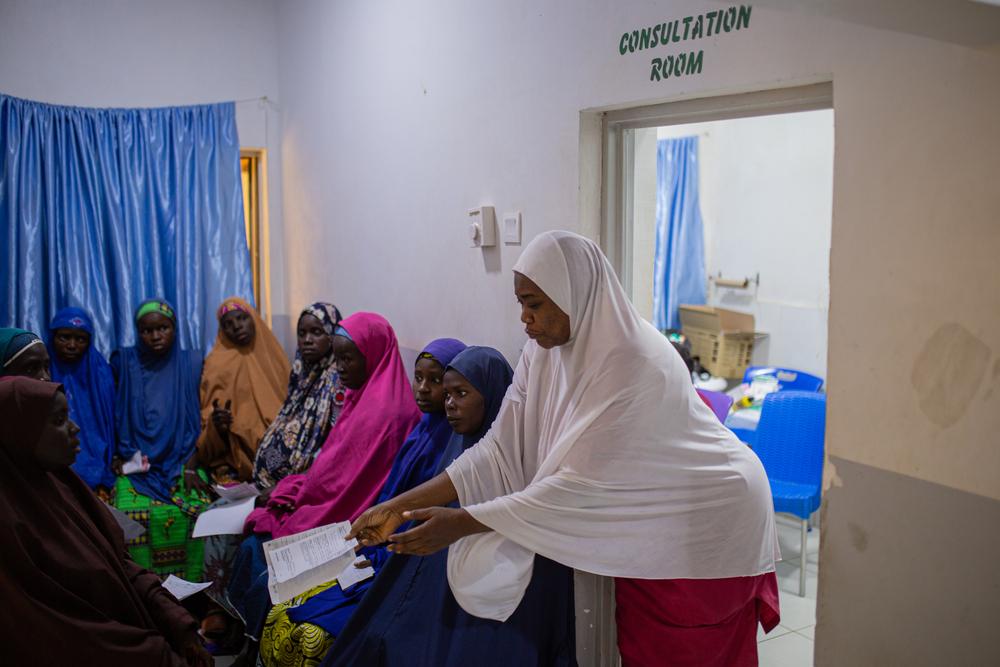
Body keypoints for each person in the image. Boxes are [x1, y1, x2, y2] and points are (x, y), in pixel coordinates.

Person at [348, 231, 780, 667]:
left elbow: (577, 488)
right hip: (647, 524)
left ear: (573, 293)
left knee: (688, 652)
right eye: (520, 304)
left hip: (709, 519)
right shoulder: (545, 351)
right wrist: (400, 505)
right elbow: (501, 449)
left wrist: (460, 523)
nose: (525, 318)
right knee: (641, 647)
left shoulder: (636, 361)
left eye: (534, 304)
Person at [325, 345, 576, 667]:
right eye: (447, 395)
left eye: (460, 394)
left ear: (494, 395)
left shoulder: (525, 461)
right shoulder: (457, 452)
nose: (450, 406)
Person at [257, 338, 467, 667]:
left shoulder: (454, 444)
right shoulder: (421, 431)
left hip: (402, 558)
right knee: (277, 602)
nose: (423, 389)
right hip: (376, 544)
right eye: (419, 377)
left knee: (307, 628)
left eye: (437, 381)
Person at [228, 312, 420, 652]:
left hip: (346, 520)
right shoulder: (359, 396)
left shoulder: (387, 414)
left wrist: (307, 496)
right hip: (327, 505)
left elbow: (355, 486)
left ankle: (251, 647)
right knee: (250, 545)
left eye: (348, 358)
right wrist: (301, 488)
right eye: (338, 358)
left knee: (260, 567)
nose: (340, 368)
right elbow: (333, 470)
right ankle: (242, 639)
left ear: (374, 355)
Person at [0, 376, 212, 667]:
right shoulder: (10, 526)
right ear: (21, 434)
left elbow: (120, 563)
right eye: (59, 420)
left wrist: (177, 621)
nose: (75, 429)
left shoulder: (61, 484)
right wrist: (156, 653)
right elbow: (58, 634)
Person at [112, 299, 209, 580]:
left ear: (175, 328)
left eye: (163, 328)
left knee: (204, 511)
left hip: (182, 459)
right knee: (127, 513)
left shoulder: (191, 363)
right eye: (147, 330)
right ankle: (145, 593)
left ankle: (198, 593)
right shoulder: (125, 362)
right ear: (137, 332)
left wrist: (191, 463)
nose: (155, 336)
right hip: (138, 461)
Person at [188, 297, 290, 487]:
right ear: (222, 331)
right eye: (228, 324)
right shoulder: (216, 366)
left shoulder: (274, 356)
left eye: (242, 318)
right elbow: (207, 437)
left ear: (254, 319)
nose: (237, 326)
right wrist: (217, 426)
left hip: (282, 457)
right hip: (236, 465)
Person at [253, 302, 345, 489]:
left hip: (298, 485)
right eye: (301, 334)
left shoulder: (339, 382)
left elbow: (334, 445)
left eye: (316, 332)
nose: (307, 340)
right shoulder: (303, 374)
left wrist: (288, 485)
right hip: (271, 483)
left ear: (332, 335)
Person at [45, 307, 117, 495]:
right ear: (52, 337)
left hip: (94, 460)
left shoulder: (101, 372)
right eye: (64, 337)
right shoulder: (41, 371)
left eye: (81, 339)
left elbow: (110, 425)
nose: (72, 345)